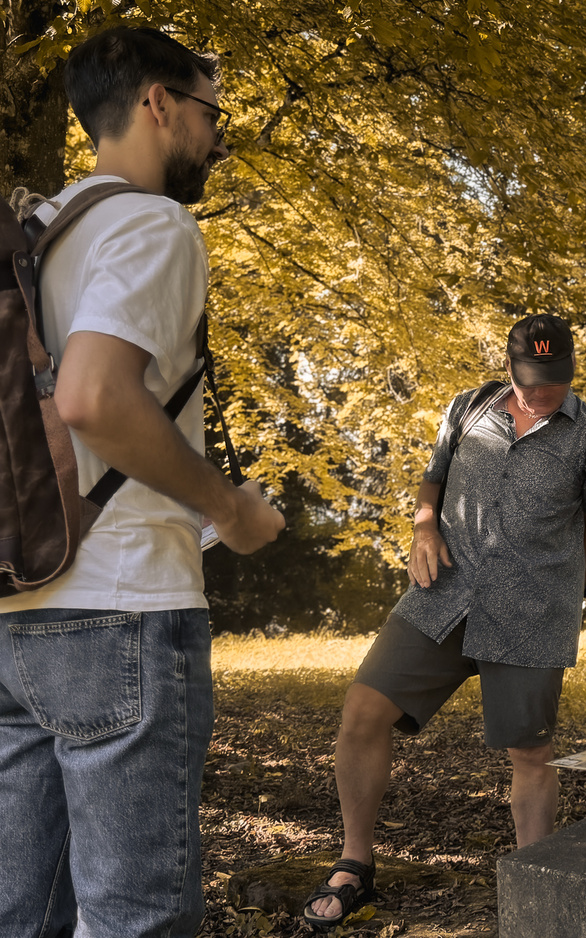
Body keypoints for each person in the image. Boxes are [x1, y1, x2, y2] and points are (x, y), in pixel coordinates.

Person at [0, 25, 285, 938]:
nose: (218, 137)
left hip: (16, 606)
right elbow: (93, 398)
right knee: (137, 920)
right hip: (121, 603)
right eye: (211, 113)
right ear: (159, 103)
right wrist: (230, 508)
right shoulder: (151, 223)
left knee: (20, 915)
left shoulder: (38, 233)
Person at [304, 313, 586, 930]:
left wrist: (564, 602)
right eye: (531, 381)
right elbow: (433, 481)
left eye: (554, 381)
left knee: (531, 752)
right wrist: (423, 526)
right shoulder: (467, 408)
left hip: (531, 613)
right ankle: (354, 864)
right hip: (442, 593)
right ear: (509, 368)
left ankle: (533, 890)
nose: (542, 393)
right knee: (363, 709)